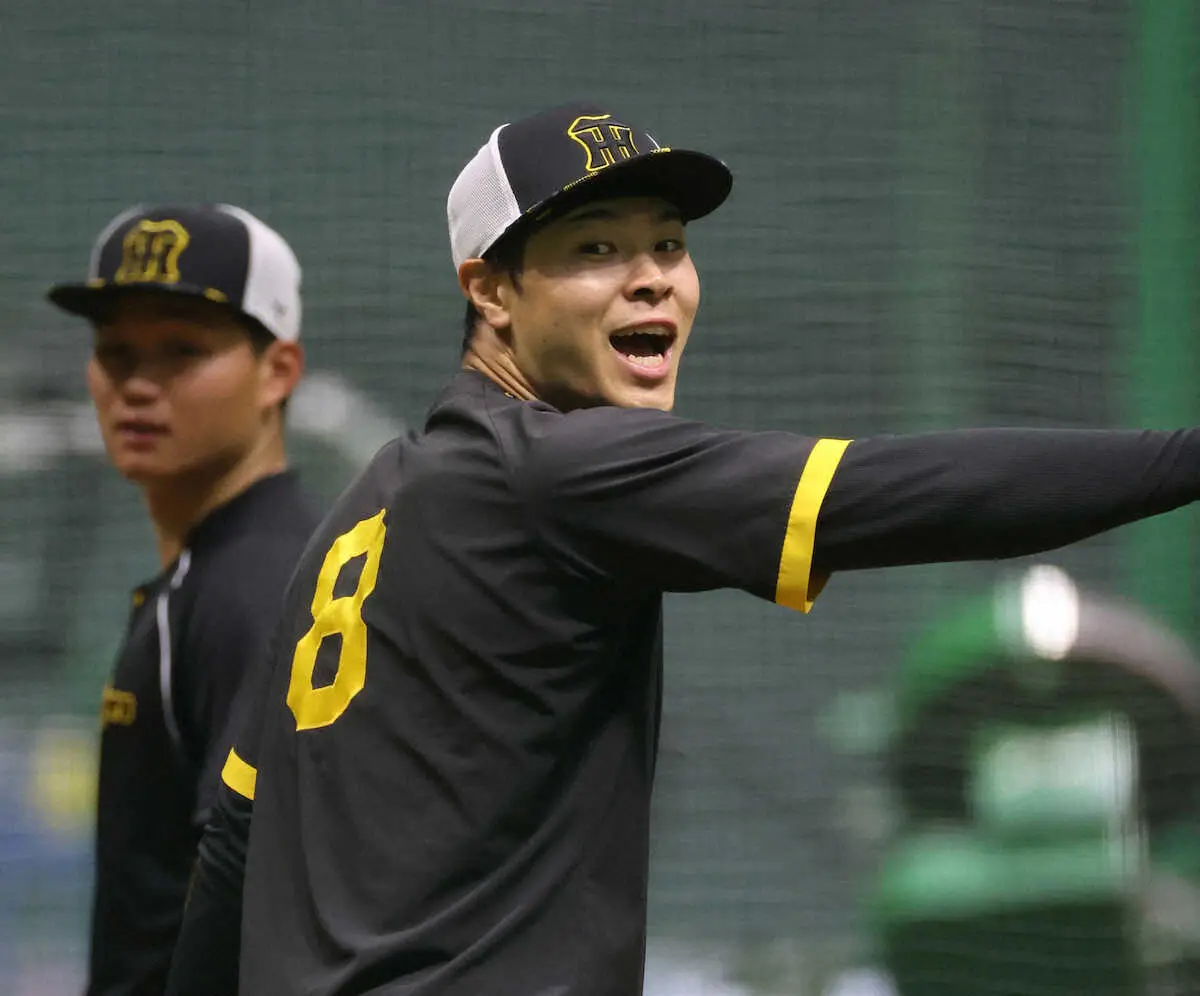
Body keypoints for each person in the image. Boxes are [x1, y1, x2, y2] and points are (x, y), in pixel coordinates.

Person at [170, 104, 1200, 996]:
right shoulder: (551, 474)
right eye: (596, 250)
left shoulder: (356, 520)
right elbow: (904, 493)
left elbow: (232, 843)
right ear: (489, 291)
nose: (652, 280)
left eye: (668, 244)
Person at [47, 203, 321, 996]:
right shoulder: (242, 570)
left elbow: (255, 900)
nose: (136, 384)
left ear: (278, 372)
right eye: (116, 351)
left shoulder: (248, 591)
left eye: (182, 351)